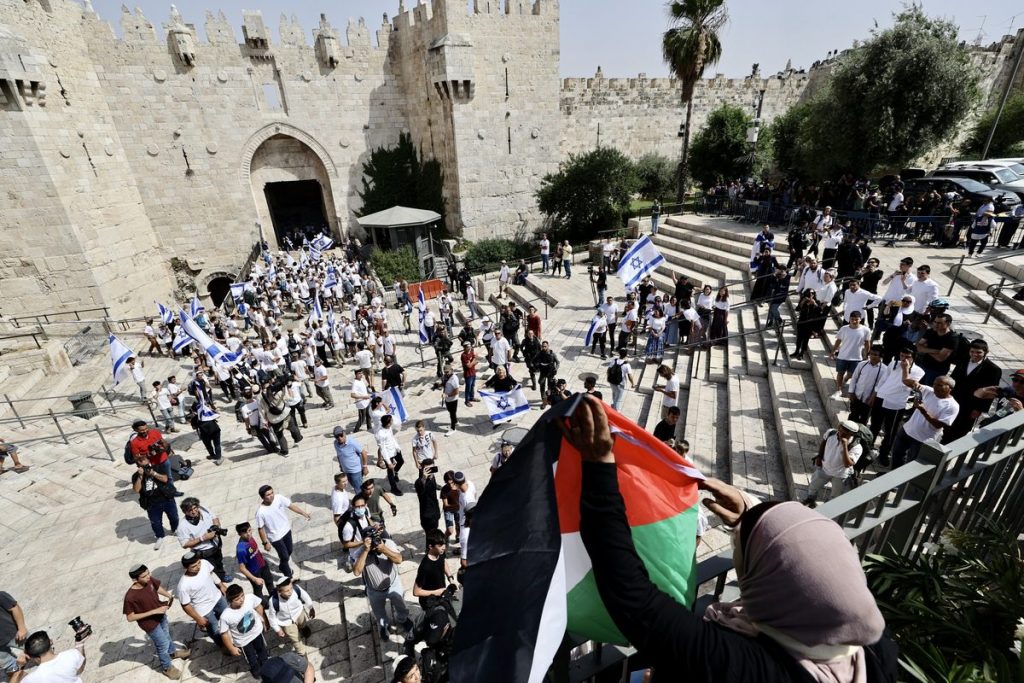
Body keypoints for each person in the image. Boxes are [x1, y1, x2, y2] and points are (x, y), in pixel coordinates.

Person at [564, 395, 898, 681]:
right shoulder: (874, 644)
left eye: (751, 548)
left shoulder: (736, 664)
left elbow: (632, 595)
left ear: (771, 585)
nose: (743, 543)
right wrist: (748, 515)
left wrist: (598, 466)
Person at [123, 564, 190, 680]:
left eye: (148, 573)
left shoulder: (149, 580)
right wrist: (154, 611)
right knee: (162, 644)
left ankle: (172, 653)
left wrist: (169, 595)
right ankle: (167, 667)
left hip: (161, 615)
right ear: (135, 579)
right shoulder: (130, 596)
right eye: (144, 576)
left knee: (167, 635)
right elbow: (130, 617)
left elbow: (156, 587)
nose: (148, 577)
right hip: (149, 624)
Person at [354, 528, 413, 642]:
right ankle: (384, 625)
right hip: (374, 590)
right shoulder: (360, 552)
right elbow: (357, 572)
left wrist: (384, 549)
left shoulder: (388, 543)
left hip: (393, 584)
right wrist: (366, 551)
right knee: (378, 611)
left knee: (401, 605)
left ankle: (403, 619)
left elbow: (399, 559)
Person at [890, 374, 959, 469]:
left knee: (911, 465)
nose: (935, 387)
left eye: (939, 385)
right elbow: (906, 382)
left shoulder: (952, 406)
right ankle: (893, 476)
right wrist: (914, 383)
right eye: (934, 384)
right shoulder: (928, 391)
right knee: (897, 456)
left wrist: (923, 411)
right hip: (907, 431)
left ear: (950, 388)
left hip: (922, 440)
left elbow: (938, 425)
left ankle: (903, 483)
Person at [943, 340, 1002, 443]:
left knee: (961, 430)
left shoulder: (993, 369)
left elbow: (991, 392)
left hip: (971, 406)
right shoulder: (963, 360)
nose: (975, 355)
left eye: (978, 352)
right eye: (972, 352)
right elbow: (953, 378)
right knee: (948, 426)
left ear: (986, 352)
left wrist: (979, 409)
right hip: (955, 400)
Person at [802, 420, 863, 507]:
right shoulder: (831, 433)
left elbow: (847, 464)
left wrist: (845, 445)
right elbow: (824, 441)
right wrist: (819, 456)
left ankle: (827, 507)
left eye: (845, 434)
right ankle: (810, 499)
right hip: (824, 468)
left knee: (835, 495)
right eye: (840, 431)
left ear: (852, 435)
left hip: (840, 475)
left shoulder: (857, 447)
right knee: (814, 485)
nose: (840, 435)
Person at [256, 486, 311, 579]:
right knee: (285, 556)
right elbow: (260, 528)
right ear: (263, 497)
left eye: (272, 493)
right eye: (268, 495)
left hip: (286, 530)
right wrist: (265, 543)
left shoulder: (279, 498)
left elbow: (291, 506)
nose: (271, 496)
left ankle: (282, 566)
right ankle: (288, 576)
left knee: (289, 551)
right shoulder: (260, 512)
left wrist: (303, 513)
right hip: (275, 537)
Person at [176, 552, 229, 646]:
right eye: (194, 566)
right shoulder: (183, 586)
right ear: (185, 568)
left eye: (198, 563)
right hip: (204, 609)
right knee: (215, 630)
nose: (198, 567)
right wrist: (198, 618)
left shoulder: (204, 563)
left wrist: (221, 585)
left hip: (218, 598)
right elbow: (185, 605)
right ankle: (223, 646)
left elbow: (211, 573)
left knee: (228, 617)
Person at [131, 449, 179, 550]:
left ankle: (175, 530)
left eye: (143, 459)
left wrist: (153, 473)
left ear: (148, 460)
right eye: (139, 461)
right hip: (152, 503)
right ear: (137, 464)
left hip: (166, 498)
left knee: (174, 517)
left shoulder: (157, 467)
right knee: (156, 522)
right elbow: (136, 489)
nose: (142, 462)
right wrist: (140, 476)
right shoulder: (136, 476)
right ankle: (160, 536)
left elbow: (165, 479)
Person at [219, 584, 269, 677]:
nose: (241, 600)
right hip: (243, 641)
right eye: (237, 599)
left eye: (242, 595)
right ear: (230, 601)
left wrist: (263, 621)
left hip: (257, 632)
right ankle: (256, 670)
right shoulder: (225, 616)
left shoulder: (250, 598)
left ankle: (266, 664)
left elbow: (258, 606)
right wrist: (231, 648)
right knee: (251, 657)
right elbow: (224, 634)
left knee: (262, 649)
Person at [268, 578, 315, 656]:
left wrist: (311, 608)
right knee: (295, 639)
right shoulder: (273, 601)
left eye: (291, 588)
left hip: (299, 613)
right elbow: (272, 617)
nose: (290, 592)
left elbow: (305, 596)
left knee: (302, 623)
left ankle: (303, 628)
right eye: (287, 591)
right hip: (286, 622)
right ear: (279, 592)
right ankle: (302, 653)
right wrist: (278, 629)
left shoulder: (296, 589)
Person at [830, 311, 871, 399]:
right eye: (852, 319)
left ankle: (846, 380)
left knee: (852, 374)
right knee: (840, 373)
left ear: (860, 319)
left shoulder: (865, 330)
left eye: (856, 319)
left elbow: (867, 343)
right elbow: (838, 341)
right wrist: (833, 351)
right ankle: (839, 390)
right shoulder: (844, 328)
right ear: (849, 319)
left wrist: (867, 354)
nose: (854, 321)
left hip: (856, 357)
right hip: (842, 356)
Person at [20, 631, 86, 683]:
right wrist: (80, 644)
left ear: (29, 656)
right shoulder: (71, 655)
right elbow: (80, 668)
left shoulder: (30, 680)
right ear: (51, 641)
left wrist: (19, 668)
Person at [235, 522, 275, 604]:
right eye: (245, 532)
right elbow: (242, 568)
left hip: (263, 565)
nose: (248, 534)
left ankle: (274, 598)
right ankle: (263, 604)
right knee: (258, 590)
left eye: (249, 530)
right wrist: (254, 579)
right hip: (254, 572)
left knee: (270, 582)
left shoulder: (250, 538)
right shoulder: (241, 549)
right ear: (239, 534)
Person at [414, 529, 454, 609]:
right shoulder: (425, 567)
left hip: (441, 596)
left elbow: (443, 562)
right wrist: (437, 592)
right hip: (430, 602)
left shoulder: (440, 552)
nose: (443, 547)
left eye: (444, 544)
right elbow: (416, 592)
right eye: (440, 545)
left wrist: (450, 577)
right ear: (431, 546)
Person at [847, 347, 887, 424]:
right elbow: (854, 378)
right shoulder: (862, 364)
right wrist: (851, 392)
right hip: (857, 396)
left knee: (863, 420)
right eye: (871, 354)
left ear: (880, 356)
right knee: (852, 416)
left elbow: (880, 386)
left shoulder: (884, 369)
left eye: (875, 355)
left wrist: (873, 398)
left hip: (869, 400)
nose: (872, 356)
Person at [375, 414, 405, 496]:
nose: (392, 422)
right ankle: (394, 488)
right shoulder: (380, 434)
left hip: (395, 449)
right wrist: (388, 462)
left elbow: (392, 438)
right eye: (391, 421)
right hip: (388, 454)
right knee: (390, 471)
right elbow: (382, 449)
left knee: (401, 461)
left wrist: (397, 447)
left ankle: (395, 472)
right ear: (388, 423)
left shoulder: (389, 428)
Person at [333, 426, 370, 491]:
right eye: (337, 436)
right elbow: (339, 455)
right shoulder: (335, 443)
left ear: (344, 433)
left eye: (341, 435)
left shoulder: (352, 443)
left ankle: (362, 500)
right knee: (355, 486)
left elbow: (364, 453)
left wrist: (365, 467)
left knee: (359, 489)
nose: (339, 438)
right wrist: (341, 466)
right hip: (346, 471)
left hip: (355, 471)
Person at [415, 459, 442, 538]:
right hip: (427, 516)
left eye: (432, 468)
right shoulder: (419, 482)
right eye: (428, 469)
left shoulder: (432, 477)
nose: (430, 471)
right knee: (430, 537)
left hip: (435, 512)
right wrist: (423, 478)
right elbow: (420, 488)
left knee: (435, 531)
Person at [440, 364, 460, 433]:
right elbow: (444, 384)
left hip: (453, 399)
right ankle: (456, 422)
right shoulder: (445, 377)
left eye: (447, 372)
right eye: (445, 372)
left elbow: (457, 391)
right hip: (447, 399)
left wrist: (447, 395)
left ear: (451, 370)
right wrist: (438, 385)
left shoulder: (454, 379)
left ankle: (453, 428)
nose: (446, 373)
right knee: (450, 411)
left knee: (452, 413)